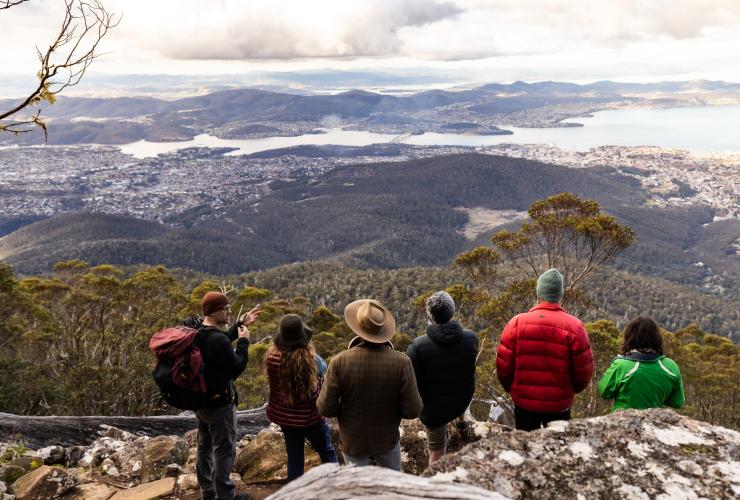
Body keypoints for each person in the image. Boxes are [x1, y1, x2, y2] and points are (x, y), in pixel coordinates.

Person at [317, 299, 422, 470]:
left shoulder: (339, 361)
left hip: (353, 440)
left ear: (358, 325)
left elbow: (325, 408)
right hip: (387, 440)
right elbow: (413, 411)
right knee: (391, 486)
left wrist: (345, 411)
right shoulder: (402, 363)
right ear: (382, 329)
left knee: (357, 489)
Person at [496, 268, 594, 431]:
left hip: (524, 403)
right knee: (556, 448)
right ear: (560, 294)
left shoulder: (517, 323)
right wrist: (571, 391)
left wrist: (513, 389)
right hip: (559, 404)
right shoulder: (575, 327)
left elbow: (504, 366)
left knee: (525, 447)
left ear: (538, 293)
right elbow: (584, 371)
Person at [195, 291, 260, 500]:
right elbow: (236, 367)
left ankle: (208, 492)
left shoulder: (199, 331)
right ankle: (226, 496)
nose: (230, 312)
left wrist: (241, 323)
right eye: (227, 309)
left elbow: (219, 342)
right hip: (220, 403)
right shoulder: (216, 340)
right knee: (224, 450)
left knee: (204, 446)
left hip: (201, 400)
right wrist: (243, 342)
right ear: (214, 312)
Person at [406, 291, 478, 465]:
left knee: (437, 452)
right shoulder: (470, 338)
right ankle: (461, 422)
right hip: (462, 400)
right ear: (452, 312)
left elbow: (411, 381)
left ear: (431, 315)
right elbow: (468, 372)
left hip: (434, 411)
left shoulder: (417, 346)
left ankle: (436, 483)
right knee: (459, 381)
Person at [266, 314, 338, 481]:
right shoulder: (309, 361)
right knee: (326, 451)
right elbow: (323, 368)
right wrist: (310, 351)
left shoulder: (272, 358)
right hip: (310, 419)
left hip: (286, 419)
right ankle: (336, 484)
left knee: (295, 458)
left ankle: (294, 492)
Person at [598, 316, 685, 411]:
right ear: (657, 338)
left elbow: (604, 392)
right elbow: (677, 402)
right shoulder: (670, 366)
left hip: (623, 422)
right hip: (653, 423)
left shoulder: (621, 365)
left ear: (629, 338)